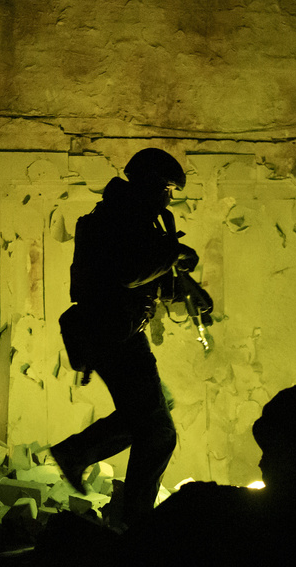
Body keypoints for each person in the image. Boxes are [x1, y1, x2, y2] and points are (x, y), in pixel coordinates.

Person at [52, 148, 210, 530]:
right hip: (110, 333)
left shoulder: (134, 220)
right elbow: (127, 272)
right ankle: (137, 524)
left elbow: (146, 276)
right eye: (168, 188)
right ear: (151, 184)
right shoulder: (115, 219)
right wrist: (172, 253)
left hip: (118, 332)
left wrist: (187, 290)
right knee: (157, 431)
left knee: (157, 408)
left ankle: (77, 452)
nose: (169, 198)